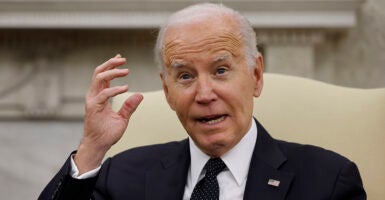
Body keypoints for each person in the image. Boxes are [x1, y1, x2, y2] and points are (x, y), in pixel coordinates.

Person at [39, 3, 366, 200]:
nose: (204, 94)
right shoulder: (123, 177)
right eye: (184, 76)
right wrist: (91, 149)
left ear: (256, 75)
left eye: (221, 70)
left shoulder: (328, 181)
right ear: (167, 92)